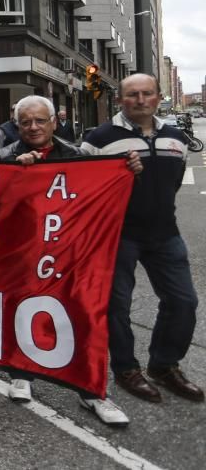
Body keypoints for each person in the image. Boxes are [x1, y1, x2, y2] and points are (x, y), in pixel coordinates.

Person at [0, 96, 139, 426]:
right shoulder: (3, 156)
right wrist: (15, 171)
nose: (33, 127)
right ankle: (21, 374)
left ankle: (91, 391)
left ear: (53, 123)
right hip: (23, 253)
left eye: (40, 120)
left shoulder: (76, 156)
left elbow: (107, 194)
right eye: (26, 122)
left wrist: (130, 172)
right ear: (17, 126)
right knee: (21, 310)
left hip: (70, 254)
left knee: (81, 314)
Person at [81, 74, 203, 405]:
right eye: (132, 95)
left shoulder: (176, 137)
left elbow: (173, 181)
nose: (140, 100)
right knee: (117, 306)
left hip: (165, 233)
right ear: (120, 100)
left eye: (147, 93)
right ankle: (125, 369)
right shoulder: (100, 138)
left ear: (158, 97)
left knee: (183, 302)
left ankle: (163, 365)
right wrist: (114, 170)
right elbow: (82, 187)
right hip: (117, 235)